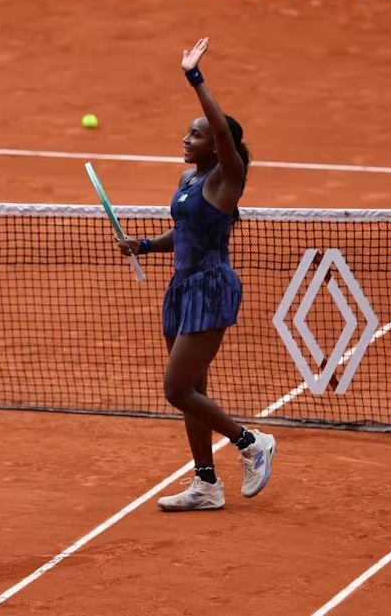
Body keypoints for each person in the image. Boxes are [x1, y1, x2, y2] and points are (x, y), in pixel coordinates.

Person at [118, 37, 276, 511]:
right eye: (188, 134)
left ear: (216, 146)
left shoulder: (227, 178)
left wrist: (194, 77)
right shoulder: (187, 180)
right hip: (180, 289)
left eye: (196, 136)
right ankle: (206, 484)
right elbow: (183, 233)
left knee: (176, 388)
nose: (186, 140)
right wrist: (145, 244)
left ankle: (251, 442)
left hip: (211, 288)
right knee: (194, 391)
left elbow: (227, 138)